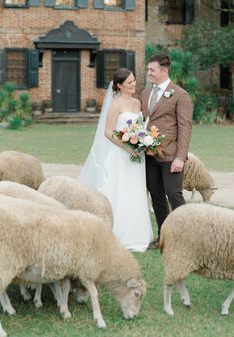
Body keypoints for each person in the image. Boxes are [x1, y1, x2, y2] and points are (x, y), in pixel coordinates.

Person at [79, 68, 153, 252]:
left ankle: (138, 234)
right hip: (120, 155)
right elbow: (108, 131)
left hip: (137, 156)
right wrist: (127, 146)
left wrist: (142, 141)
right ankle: (116, 234)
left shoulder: (138, 103)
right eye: (129, 82)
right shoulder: (116, 105)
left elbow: (142, 125)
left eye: (134, 81)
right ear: (119, 85)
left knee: (135, 191)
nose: (133, 84)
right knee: (119, 190)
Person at [140, 53, 193, 249]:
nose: (149, 73)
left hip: (171, 156)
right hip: (149, 156)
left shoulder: (180, 94)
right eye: (149, 69)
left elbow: (185, 127)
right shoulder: (145, 94)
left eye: (152, 70)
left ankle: (186, 238)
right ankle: (164, 238)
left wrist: (180, 157)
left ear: (164, 71)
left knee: (174, 195)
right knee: (157, 197)